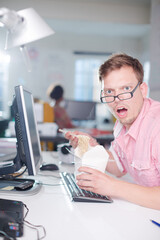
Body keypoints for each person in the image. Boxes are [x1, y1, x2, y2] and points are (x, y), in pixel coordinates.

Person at [65, 53, 160, 210]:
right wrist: (89, 146)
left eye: (126, 88)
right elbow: (119, 167)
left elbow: (116, 181)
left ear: (143, 90)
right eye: (109, 92)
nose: (117, 99)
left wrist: (113, 187)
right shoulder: (122, 123)